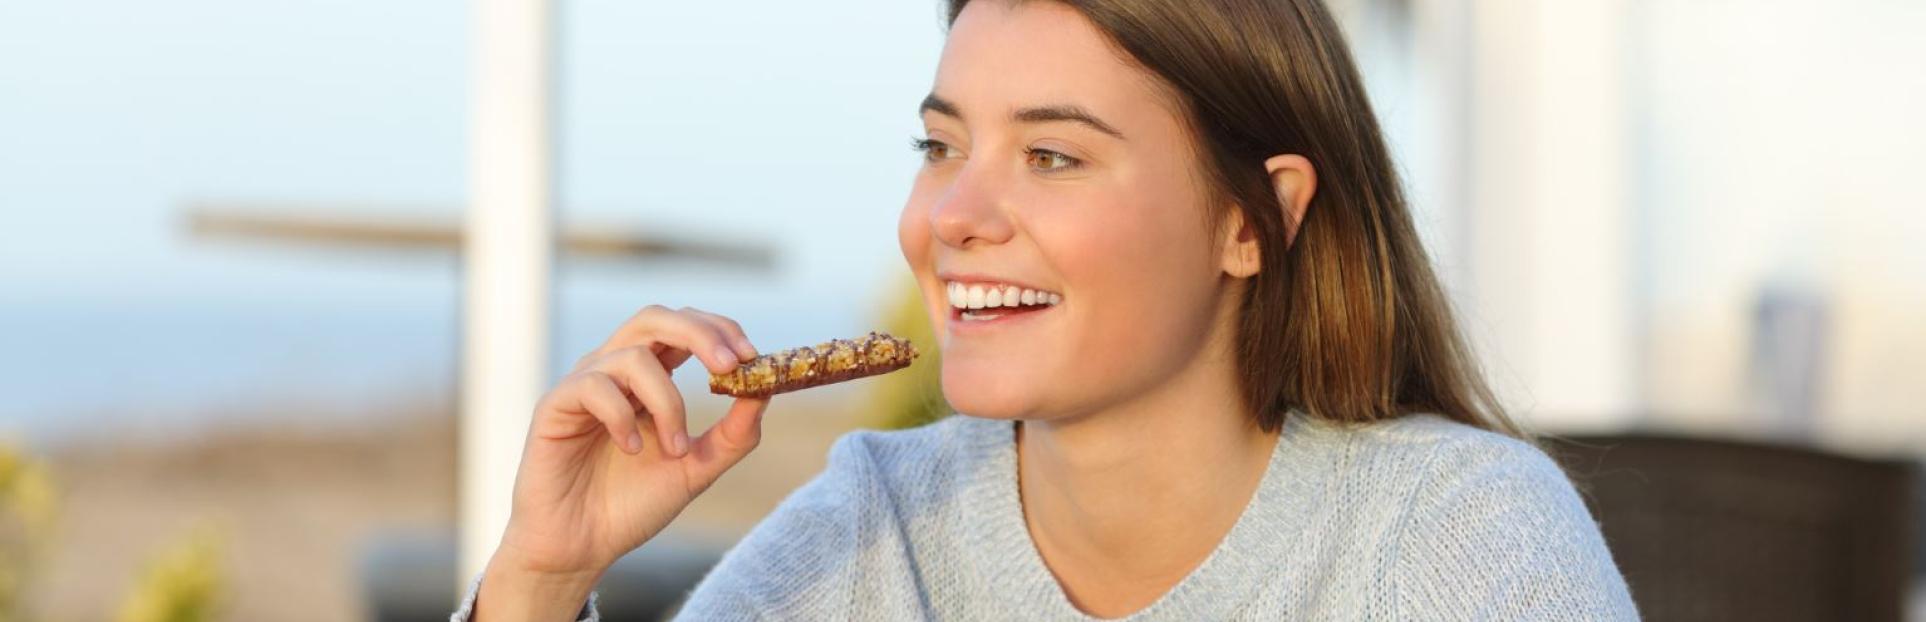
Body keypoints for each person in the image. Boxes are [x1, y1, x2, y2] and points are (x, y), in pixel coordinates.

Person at [453, 0, 1640, 619]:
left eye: (1056, 157)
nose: (951, 215)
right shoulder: (881, 535)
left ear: (1256, 219)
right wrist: (542, 579)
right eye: (941, 144)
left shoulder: (1451, 543)